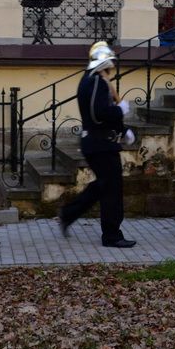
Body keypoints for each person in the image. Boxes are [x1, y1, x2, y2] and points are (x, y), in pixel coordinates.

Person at [59, 41, 136, 248]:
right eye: (110, 62)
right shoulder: (96, 82)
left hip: (99, 142)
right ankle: (111, 235)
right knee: (112, 190)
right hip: (100, 143)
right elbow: (98, 114)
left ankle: (69, 213)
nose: (112, 66)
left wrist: (122, 130)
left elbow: (102, 114)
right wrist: (119, 110)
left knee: (104, 185)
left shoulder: (93, 80)